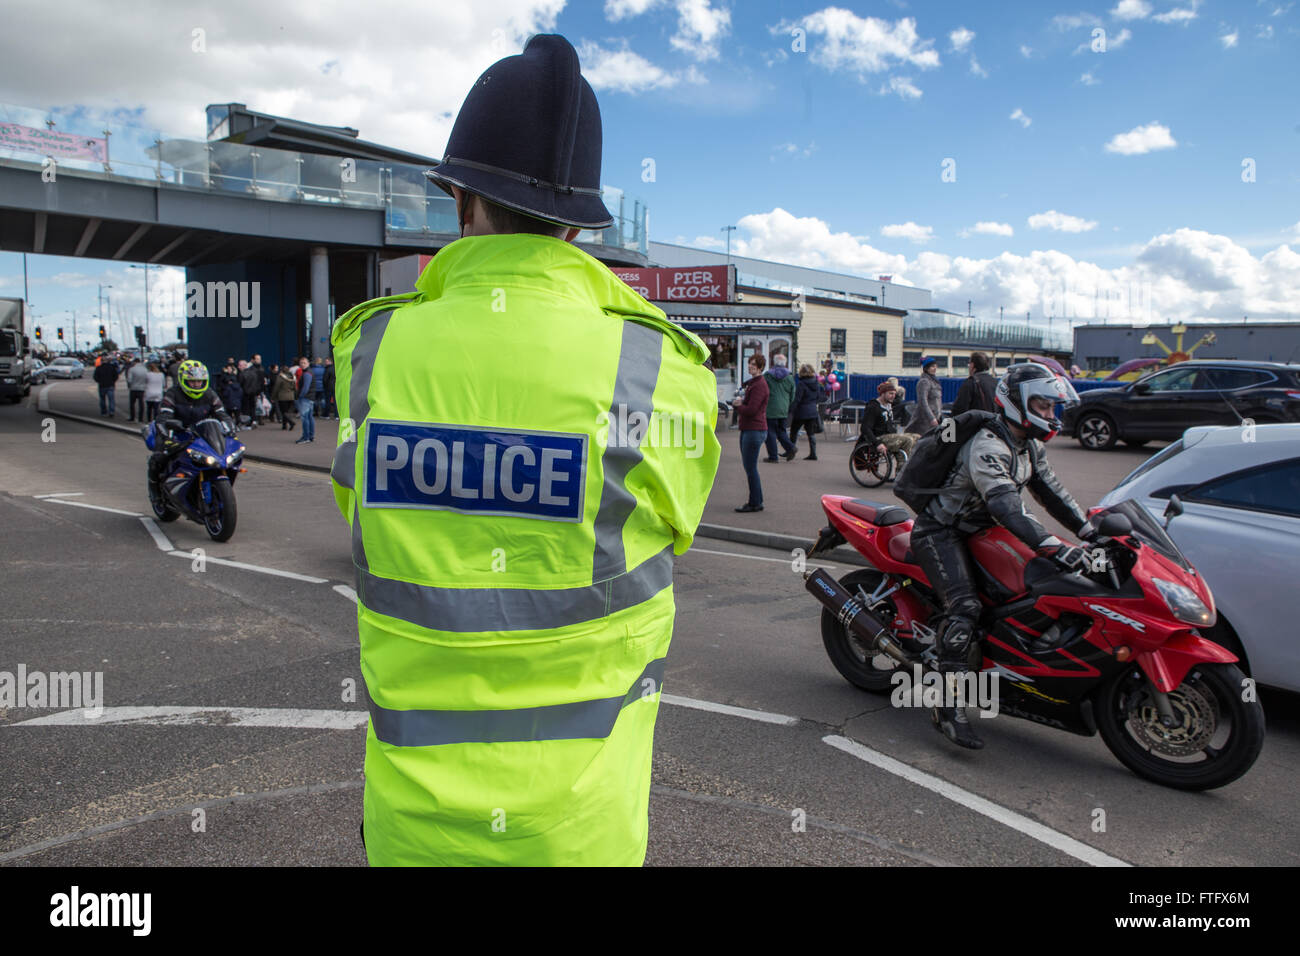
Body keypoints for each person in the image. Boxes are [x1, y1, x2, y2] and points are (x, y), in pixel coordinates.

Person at [329, 34, 719, 866]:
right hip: (585, 836)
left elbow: (360, 513)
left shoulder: (368, 354)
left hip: (412, 832)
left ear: (461, 195)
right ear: (578, 223)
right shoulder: (662, 371)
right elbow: (675, 526)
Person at [911, 363, 1089, 750]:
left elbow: (1052, 492)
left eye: (1051, 406)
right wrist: (1056, 546)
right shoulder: (989, 445)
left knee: (1023, 591)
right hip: (943, 531)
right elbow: (1008, 507)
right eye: (1042, 405)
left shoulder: (1028, 443)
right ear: (1017, 403)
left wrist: (1090, 530)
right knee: (966, 608)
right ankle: (948, 706)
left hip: (982, 530)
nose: (1049, 414)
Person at [147, 360, 235, 492]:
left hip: (201, 435)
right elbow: (164, 416)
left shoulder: (209, 394)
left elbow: (221, 413)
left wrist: (230, 428)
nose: (196, 384)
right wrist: (167, 432)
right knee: (159, 458)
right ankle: (155, 490)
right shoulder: (173, 394)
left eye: (199, 381)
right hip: (177, 433)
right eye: (192, 381)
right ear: (183, 380)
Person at [733, 354, 770, 512]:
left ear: (761, 367)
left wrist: (737, 406)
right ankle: (757, 500)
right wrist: (742, 403)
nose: (750, 367)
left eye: (754, 365)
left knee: (751, 468)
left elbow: (752, 410)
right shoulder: (754, 383)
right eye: (749, 364)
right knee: (750, 467)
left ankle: (755, 503)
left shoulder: (760, 385)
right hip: (751, 429)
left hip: (754, 430)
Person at [859, 382, 914, 464]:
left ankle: (911, 462)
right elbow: (865, 428)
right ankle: (901, 471)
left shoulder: (888, 405)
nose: (893, 396)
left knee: (917, 437)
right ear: (882, 394)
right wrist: (877, 443)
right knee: (908, 440)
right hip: (879, 437)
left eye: (894, 394)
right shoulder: (873, 407)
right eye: (890, 393)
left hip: (889, 435)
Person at [762, 353, 798, 462]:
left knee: (770, 432)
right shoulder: (790, 377)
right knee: (781, 431)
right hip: (783, 408)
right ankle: (791, 447)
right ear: (785, 363)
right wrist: (786, 404)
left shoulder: (767, 376)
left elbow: (763, 391)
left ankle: (773, 457)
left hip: (770, 408)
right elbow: (793, 394)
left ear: (773, 362)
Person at [789, 363, 825, 460]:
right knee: (811, 433)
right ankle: (813, 454)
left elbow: (797, 399)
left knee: (794, 431)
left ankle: (790, 451)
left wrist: (790, 410)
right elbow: (818, 397)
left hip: (801, 411)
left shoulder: (801, 384)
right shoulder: (816, 383)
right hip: (812, 411)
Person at [951, 351, 998, 415]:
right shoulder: (995, 382)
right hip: (994, 422)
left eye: (969, 364)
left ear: (972, 365)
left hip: (977, 423)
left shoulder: (970, 383)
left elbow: (959, 409)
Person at [906, 357, 942, 434]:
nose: (935, 368)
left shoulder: (934, 381)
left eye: (935, 366)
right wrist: (931, 418)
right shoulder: (924, 382)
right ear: (926, 368)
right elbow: (923, 402)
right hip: (925, 421)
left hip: (935, 418)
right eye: (932, 366)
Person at [294, 356, 315, 444]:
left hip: (305, 398)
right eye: (301, 363)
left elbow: (305, 387)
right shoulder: (309, 372)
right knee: (310, 417)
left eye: (304, 363)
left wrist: (300, 396)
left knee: (305, 418)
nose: (302, 364)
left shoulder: (307, 374)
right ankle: (310, 436)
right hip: (310, 397)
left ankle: (306, 437)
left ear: (308, 363)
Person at [272, 363, 297, 429]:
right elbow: (295, 387)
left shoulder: (280, 377)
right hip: (291, 396)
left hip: (282, 397)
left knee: (283, 411)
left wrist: (273, 397)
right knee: (288, 411)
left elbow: (276, 387)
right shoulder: (293, 377)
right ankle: (284, 425)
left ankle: (290, 422)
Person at [126, 356, 148, 422]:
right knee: (141, 404)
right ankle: (140, 418)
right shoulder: (145, 369)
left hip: (133, 388)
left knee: (132, 404)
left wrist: (130, 385)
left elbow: (129, 380)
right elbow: (147, 379)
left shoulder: (131, 369)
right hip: (142, 388)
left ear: (135, 362)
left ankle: (132, 417)